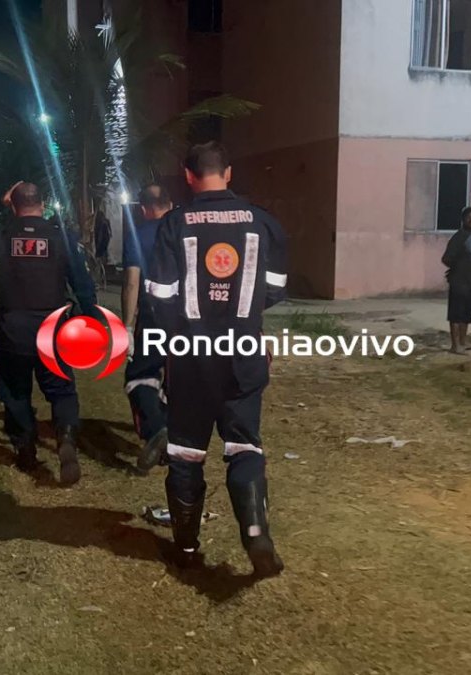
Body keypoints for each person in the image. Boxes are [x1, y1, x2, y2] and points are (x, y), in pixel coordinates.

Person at [145, 141, 289, 578]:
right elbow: (276, 288)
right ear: (227, 173)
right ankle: (255, 532)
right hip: (243, 350)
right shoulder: (263, 221)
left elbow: (159, 297)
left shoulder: (173, 224)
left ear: (188, 176)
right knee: (244, 445)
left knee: (186, 452)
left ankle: (187, 548)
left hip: (190, 357)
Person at [0, 181, 97, 484]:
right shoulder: (60, 238)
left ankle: (25, 450)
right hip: (53, 330)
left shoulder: (3, 236)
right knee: (62, 390)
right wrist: (90, 318)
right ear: (43, 204)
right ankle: (65, 437)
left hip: (14, 332)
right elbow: (82, 284)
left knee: (15, 392)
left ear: (13, 205)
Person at [121, 183, 174, 471]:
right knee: (177, 379)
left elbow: (131, 283)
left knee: (139, 377)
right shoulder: (187, 230)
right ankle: (174, 442)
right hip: (190, 320)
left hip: (154, 317)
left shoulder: (138, 235)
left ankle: (156, 429)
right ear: (170, 203)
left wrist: (128, 327)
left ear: (143, 209)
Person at [441, 207, 471, 355]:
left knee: (466, 314)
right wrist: (457, 268)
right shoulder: (459, 237)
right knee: (456, 314)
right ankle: (455, 345)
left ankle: (463, 342)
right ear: (463, 219)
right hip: (459, 282)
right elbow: (446, 258)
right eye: (469, 217)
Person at [93, 208, 112, 285]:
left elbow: (101, 237)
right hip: (104, 245)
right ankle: (102, 279)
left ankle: (99, 280)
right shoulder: (106, 222)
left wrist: (98, 248)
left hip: (101, 247)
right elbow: (109, 235)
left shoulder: (101, 224)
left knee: (98, 263)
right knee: (101, 263)